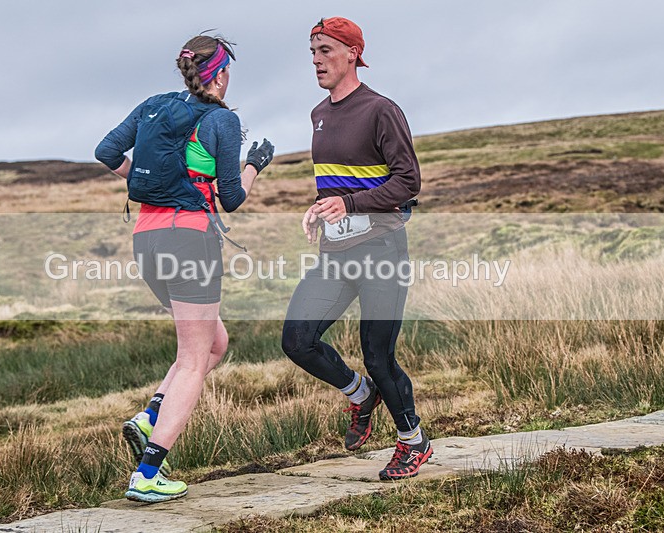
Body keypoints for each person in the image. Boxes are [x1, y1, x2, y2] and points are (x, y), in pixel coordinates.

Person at [95, 34, 274, 502]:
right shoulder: (220, 119)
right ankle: (148, 473)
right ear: (219, 74)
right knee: (195, 358)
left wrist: (140, 180)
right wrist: (255, 164)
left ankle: (149, 416)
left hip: (147, 241)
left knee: (214, 341)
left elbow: (106, 152)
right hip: (190, 240)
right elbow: (231, 198)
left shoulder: (153, 104)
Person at [281, 17, 431, 480]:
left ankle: (413, 441)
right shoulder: (318, 114)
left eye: (325, 50)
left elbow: (408, 182)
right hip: (337, 254)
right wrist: (320, 210)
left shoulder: (380, 110)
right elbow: (339, 185)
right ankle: (360, 395)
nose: (316, 60)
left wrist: (346, 203)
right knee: (297, 340)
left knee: (378, 355)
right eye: (312, 51)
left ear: (352, 53)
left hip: (382, 250)